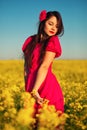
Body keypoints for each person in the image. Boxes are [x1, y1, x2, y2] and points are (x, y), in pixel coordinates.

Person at [22, 10, 64, 113]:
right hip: (32, 87)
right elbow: (26, 68)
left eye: (57, 26)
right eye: (50, 24)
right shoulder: (30, 40)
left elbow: (44, 66)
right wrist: (28, 89)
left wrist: (34, 90)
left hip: (46, 86)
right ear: (43, 22)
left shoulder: (52, 41)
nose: (54, 28)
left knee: (49, 122)